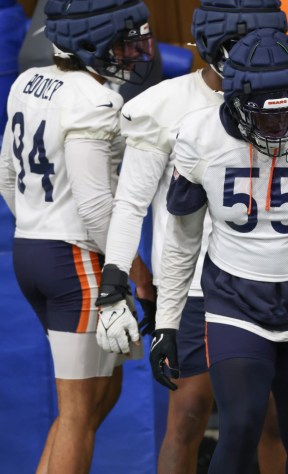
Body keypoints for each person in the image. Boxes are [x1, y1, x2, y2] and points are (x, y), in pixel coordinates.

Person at [149, 28, 288, 474]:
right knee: (239, 426)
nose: (277, 126)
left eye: (287, 112)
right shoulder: (200, 136)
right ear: (232, 102)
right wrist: (168, 323)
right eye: (264, 116)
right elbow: (182, 241)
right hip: (235, 305)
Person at [96, 2, 288, 473]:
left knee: (267, 418)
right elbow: (130, 202)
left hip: (265, 276)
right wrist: (115, 279)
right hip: (192, 285)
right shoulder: (164, 106)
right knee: (188, 414)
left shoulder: (287, 96)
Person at [0, 0, 154, 472]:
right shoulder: (94, 99)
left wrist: (38, 224)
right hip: (75, 260)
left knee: (101, 395)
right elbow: (93, 206)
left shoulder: (29, 81)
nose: (132, 51)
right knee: (79, 412)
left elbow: (6, 176)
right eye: (123, 40)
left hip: (32, 251)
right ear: (93, 39)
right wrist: (136, 270)